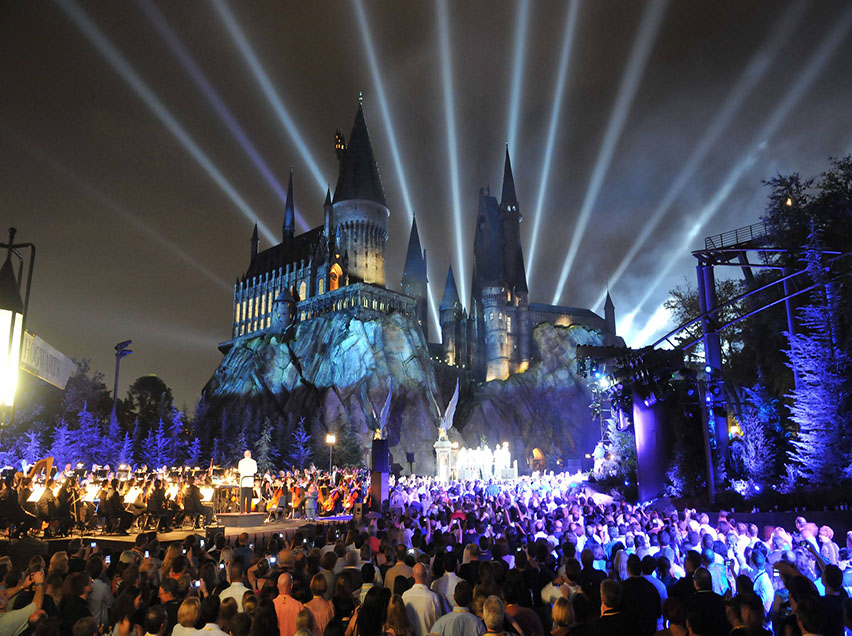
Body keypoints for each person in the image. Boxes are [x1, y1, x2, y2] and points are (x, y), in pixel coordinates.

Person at [402, 564, 442, 636]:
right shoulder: (433, 597)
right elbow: (438, 622)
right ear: (426, 575)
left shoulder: (405, 596)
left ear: (413, 575)